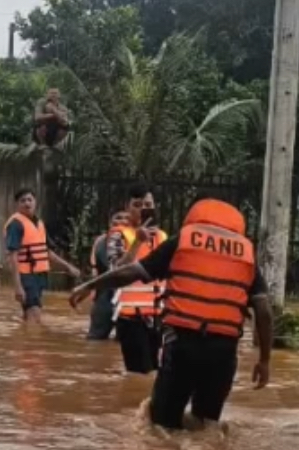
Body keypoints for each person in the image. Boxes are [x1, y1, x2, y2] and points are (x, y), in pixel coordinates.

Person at [69, 198, 272, 430]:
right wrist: (264, 360)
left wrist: (89, 286)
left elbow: (131, 272)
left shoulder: (183, 241)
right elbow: (264, 311)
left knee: (161, 425)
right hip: (223, 352)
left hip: (183, 345)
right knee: (206, 426)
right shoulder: (244, 253)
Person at [108, 183, 167, 374]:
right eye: (137, 205)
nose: (143, 209)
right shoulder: (118, 235)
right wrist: (137, 242)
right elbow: (116, 270)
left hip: (159, 317)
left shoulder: (162, 237)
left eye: (147, 205)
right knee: (139, 376)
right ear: (127, 208)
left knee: (157, 375)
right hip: (130, 317)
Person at [3, 188, 80, 323]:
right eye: (23, 201)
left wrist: (68, 267)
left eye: (29, 200)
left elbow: (47, 252)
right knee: (34, 312)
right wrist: (18, 286)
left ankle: (24, 339)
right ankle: (32, 342)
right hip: (25, 276)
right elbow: (12, 255)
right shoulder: (16, 225)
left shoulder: (39, 223)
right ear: (17, 205)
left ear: (35, 202)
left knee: (30, 313)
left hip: (39, 275)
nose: (27, 204)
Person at [85, 211, 130, 341]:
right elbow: (98, 271)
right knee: (95, 340)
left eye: (126, 218)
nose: (122, 221)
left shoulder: (137, 240)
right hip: (105, 297)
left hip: (127, 300)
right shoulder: (101, 243)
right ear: (110, 223)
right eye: (118, 218)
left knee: (123, 343)